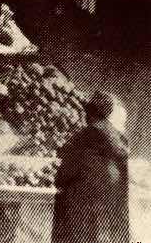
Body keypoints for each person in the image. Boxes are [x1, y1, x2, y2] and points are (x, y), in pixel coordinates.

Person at [52, 91, 130, 243]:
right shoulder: (119, 138)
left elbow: (64, 175)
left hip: (81, 212)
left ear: (91, 112)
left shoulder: (86, 135)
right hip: (111, 212)